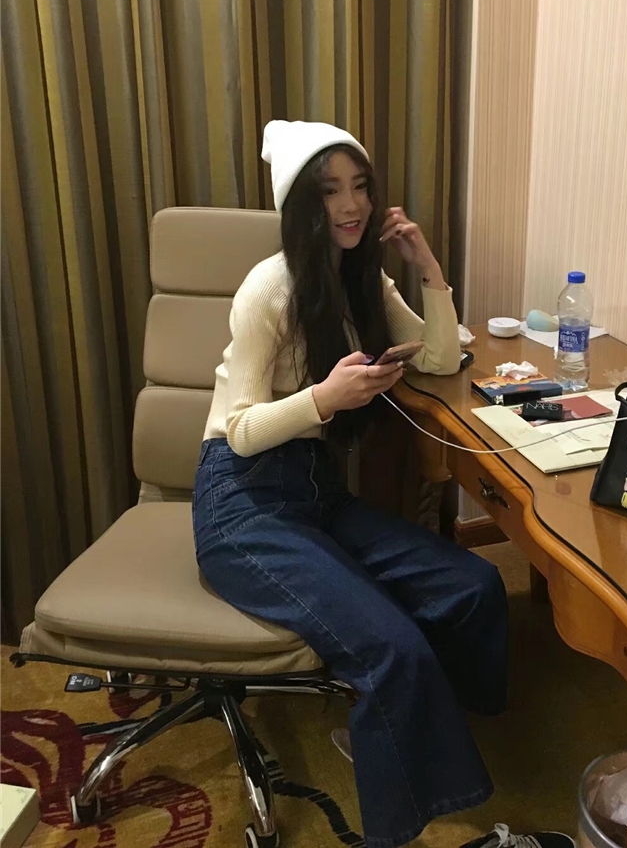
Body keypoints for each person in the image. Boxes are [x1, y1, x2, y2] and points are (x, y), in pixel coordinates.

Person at [193, 121, 575, 848]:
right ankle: (406, 818)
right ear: (302, 204)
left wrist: (427, 266)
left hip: (315, 492)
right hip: (242, 504)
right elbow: (237, 428)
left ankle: (426, 737)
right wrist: (324, 399)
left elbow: (441, 356)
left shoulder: (363, 278)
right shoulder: (268, 288)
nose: (351, 205)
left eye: (360, 187)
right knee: (390, 646)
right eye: (331, 190)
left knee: (474, 584)